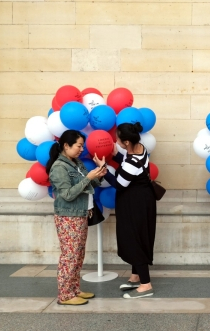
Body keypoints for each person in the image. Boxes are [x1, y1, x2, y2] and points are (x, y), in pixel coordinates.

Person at [46, 130, 107, 306]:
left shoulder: (76, 163)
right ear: (66, 145)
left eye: (82, 146)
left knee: (78, 255)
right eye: (79, 145)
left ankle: (74, 289)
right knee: (69, 256)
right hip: (68, 217)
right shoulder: (59, 167)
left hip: (81, 215)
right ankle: (65, 295)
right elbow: (67, 195)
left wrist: (97, 177)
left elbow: (85, 186)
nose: (81, 149)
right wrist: (88, 177)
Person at [97, 122, 157, 299]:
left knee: (134, 238)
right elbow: (131, 167)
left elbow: (119, 183)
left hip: (135, 203)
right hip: (141, 200)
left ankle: (146, 285)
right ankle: (136, 276)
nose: (116, 143)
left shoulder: (132, 160)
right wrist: (116, 158)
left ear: (127, 143)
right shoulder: (140, 148)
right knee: (137, 235)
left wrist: (103, 170)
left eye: (119, 141)